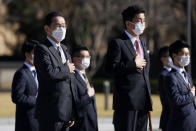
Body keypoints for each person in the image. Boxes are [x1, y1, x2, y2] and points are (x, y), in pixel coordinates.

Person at [104, 5, 152, 131]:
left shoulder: (143, 42)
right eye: (139, 20)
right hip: (127, 103)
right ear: (128, 23)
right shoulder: (118, 43)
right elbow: (110, 68)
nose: (143, 23)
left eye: (144, 20)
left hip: (144, 101)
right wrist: (132, 64)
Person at [34, 12, 76, 131]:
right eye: (58, 26)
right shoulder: (42, 49)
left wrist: (72, 110)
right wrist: (67, 68)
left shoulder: (65, 49)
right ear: (47, 28)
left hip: (65, 112)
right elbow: (49, 73)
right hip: (50, 112)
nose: (62, 29)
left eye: (64, 25)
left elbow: (70, 81)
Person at [165, 40, 196, 131]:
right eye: (184, 54)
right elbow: (176, 100)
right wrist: (191, 94)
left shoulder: (187, 75)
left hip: (191, 122)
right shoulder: (170, 77)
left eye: (188, 54)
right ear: (174, 56)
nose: (187, 57)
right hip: (180, 124)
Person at [11, 40, 39, 131]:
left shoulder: (40, 73)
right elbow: (17, 97)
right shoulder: (21, 74)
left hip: (41, 121)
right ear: (27, 55)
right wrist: (36, 99)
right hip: (27, 123)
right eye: (36, 53)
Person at [69, 45, 98, 131]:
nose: (87, 59)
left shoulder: (86, 76)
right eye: (83, 57)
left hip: (91, 122)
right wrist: (88, 95)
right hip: (80, 124)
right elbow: (74, 103)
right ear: (75, 59)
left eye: (88, 57)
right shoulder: (72, 77)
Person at [158, 46, 173, 131]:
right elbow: (166, 99)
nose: (171, 58)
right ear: (162, 59)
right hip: (168, 116)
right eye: (169, 56)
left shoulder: (174, 73)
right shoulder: (163, 75)